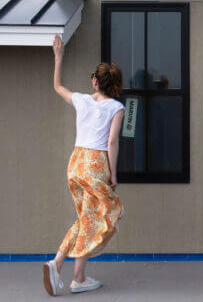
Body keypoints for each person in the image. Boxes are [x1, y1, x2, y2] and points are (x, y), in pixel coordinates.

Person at [43, 35, 125, 296]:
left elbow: (57, 87)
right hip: (95, 164)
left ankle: (78, 277)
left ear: (94, 82)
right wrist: (113, 173)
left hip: (76, 162)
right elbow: (111, 142)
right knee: (106, 213)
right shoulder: (116, 107)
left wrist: (59, 57)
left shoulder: (82, 100)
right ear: (116, 86)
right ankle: (57, 263)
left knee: (87, 217)